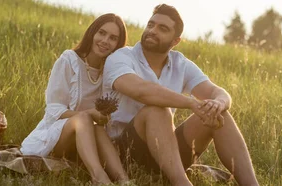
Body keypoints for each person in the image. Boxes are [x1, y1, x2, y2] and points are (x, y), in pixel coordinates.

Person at [102, 4, 259, 186]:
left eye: (163, 28)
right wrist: (191, 103)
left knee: (219, 112)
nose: (153, 31)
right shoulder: (121, 57)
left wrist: (218, 104)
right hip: (124, 154)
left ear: (175, 41)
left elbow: (218, 92)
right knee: (156, 110)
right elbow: (142, 91)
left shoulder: (180, 64)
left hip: (167, 153)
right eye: (151, 24)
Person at [20, 13, 129, 185]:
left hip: (88, 141)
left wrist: (101, 117)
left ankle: (124, 181)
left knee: (98, 127)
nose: (105, 40)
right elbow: (53, 110)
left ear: (118, 45)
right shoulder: (69, 60)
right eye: (101, 33)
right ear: (92, 33)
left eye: (113, 38)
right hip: (58, 135)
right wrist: (89, 114)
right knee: (84, 118)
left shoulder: (110, 73)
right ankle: (99, 177)